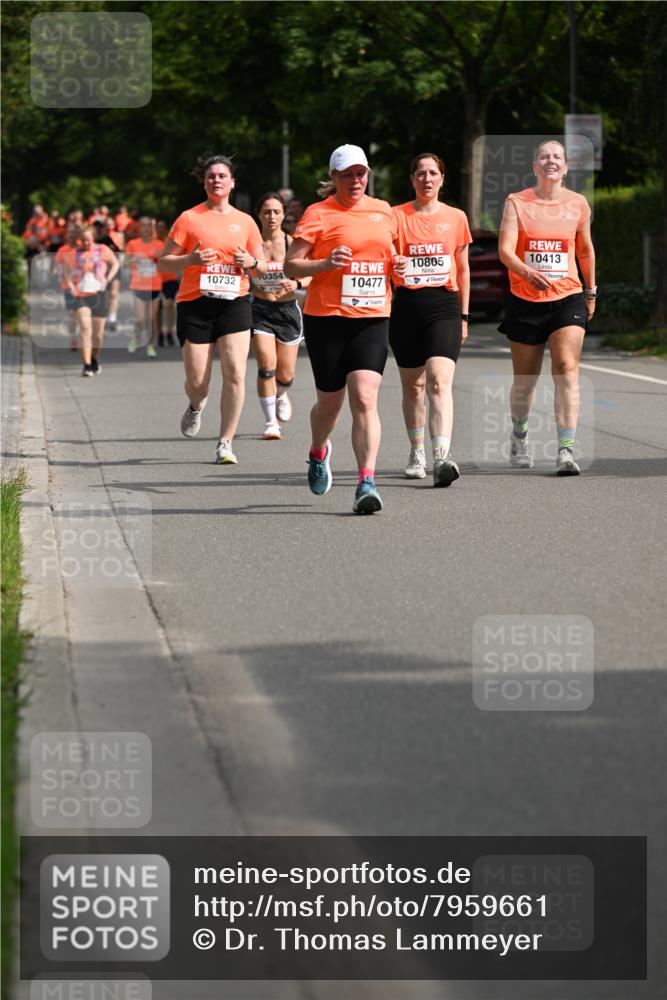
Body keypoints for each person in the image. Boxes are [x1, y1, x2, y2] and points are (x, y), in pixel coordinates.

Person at [285, 144, 407, 514]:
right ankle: (318, 451)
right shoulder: (318, 214)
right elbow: (291, 267)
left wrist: (397, 268)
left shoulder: (383, 211)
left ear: (368, 175)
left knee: (365, 397)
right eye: (347, 174)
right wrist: (324, 263)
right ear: (334, 178)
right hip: (327, 319)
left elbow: (393, 256)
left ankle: (366, 482)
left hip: (372, 317)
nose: (355, 180)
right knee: (329, 404)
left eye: (360, 174)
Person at [159, 152, 267, 464]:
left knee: (235, 371)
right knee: (198, 382)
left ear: (233, 183)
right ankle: (195, 406)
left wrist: (251, 262)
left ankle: (225, 442)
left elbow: (260, 269)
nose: (216, 180)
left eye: (222, 176)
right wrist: (190, 260)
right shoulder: (189, 218)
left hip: (234, 302)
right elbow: (165, 260)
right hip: (196, 303)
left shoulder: (245, 222)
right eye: (211, 176)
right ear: (204, 182)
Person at [498, 139, 596, 475]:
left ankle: (566, 450)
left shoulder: (579, 204)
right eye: (544, 156)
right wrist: (527, 272)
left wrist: (591, 292)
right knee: (525, 380)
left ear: (566, 167)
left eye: (557, 156)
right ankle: (520, 434)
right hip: (526, 299)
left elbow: (584, 251)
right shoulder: (517, 202)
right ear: (535, 167)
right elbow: (505, 251)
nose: (550, 160)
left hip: (568, 296)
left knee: (567, 367)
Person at [390, 153, 472, 487]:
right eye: (421, 173)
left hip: (445, 305)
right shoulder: (396, 216)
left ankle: (441, 457)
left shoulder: (456, 217)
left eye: (433, 173)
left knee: (439, 379)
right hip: (407, 305)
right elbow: (384, 257)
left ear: (442, 179)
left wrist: (465, 316)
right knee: (414, 386)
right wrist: (391, 265)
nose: (427, 178)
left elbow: (464, 269)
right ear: (412, 179)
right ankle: (416, 451)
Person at [251, 192, 309, 439]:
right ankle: (271, 423)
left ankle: (282, 392)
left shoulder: (293, 243)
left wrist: (296, 285)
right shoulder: (251, 244)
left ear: (284, 214)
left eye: (276, 211)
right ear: (259, 214)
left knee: (285, 374)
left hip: (287, 310)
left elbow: (310, 273)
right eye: (266, 211)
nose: (271, 216)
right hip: (260, 309)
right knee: (266, 366)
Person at [66, 224, 119, 376]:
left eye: (88, 240)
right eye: (82, 241)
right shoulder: (74, 254)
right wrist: (71, 285)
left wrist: (107, 279)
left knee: (98, 335)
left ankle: (94, 357)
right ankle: (87, 365)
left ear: (93, 239)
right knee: (85, 329)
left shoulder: (101, 250)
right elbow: (66, 272)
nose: (85, 244)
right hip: (80, 295)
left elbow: (115, 263)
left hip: (99, 294)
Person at [126, 216, 164, 357]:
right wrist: (134, 259)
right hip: (138, 285)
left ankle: (150, 345)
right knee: (140, 318)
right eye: (143, 225)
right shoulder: (133, 244)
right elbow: (125, 263)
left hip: (154, 285)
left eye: (149, 226)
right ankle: (136, 338)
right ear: (139, 228)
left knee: (151, 317)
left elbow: (166, 265)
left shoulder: (160, 245)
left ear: (153, 228)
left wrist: (160, 257)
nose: (146, 228)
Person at [53, 222, 80, 352]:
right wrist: (59, 270)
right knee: (71, 314)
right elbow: (56, 268)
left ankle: (85, 336)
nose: (71, 235)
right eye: (69, 233)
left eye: (74, 233)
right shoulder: (62, 250)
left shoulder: (83, 248)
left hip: (84, 286)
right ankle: (74, 339)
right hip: (68, 286)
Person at [155, 219, 178, 346]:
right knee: (158, 308)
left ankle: (169, 331)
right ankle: (160, 333)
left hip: (170, 278)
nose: (160, 229)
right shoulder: (151, 243)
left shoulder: (170, 242)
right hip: (155, 279)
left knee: (169, 304)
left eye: (162, 227)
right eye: (158, 227)